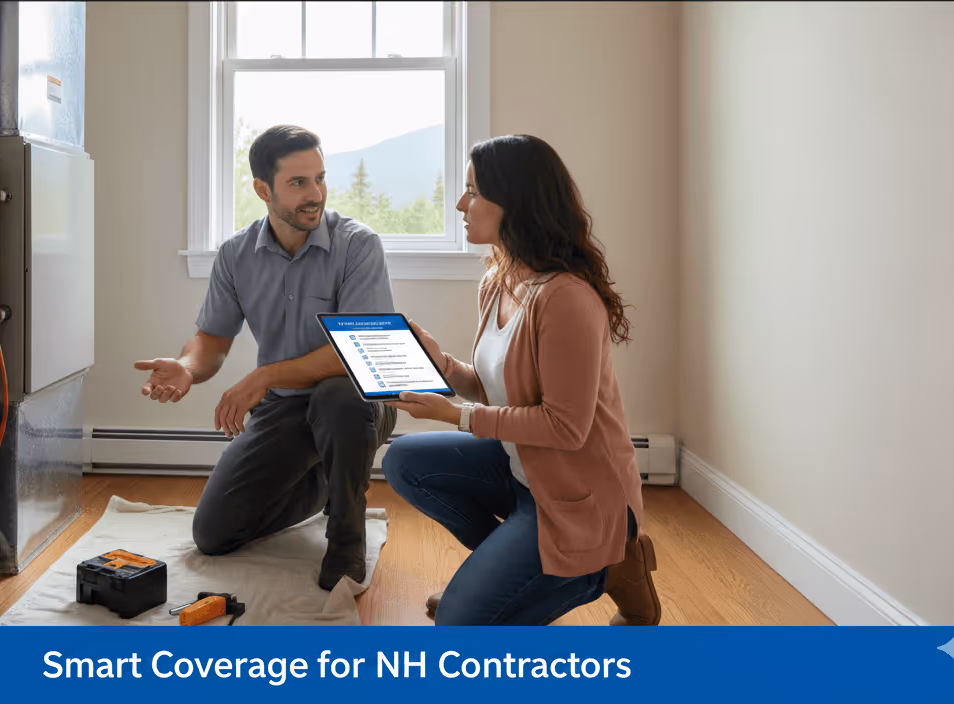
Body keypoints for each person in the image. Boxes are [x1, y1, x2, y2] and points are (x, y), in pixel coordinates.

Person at [381, 134, 660, 626]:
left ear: (515, 202)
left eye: (473, 191)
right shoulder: (500, 278)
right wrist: (443, 367)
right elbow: (498, 390)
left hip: (581, 500)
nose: (462, 204)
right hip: (521, 474)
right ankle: (508, 565)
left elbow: (566, 428)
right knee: (404, 459)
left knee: (458, 628)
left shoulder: (566, 298)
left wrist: (456, 416)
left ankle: (607, 562)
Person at [133, 125, 398, 590]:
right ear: (262, 189)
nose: (314, 193)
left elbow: (361, 351)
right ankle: (324, 482)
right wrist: (188, 368)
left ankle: (346, 537)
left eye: (319, 178)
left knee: (337, 397)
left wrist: (268, 373)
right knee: (213, 534)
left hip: (357, 402)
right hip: (285, 407)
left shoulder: (358, 245)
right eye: (298, 183)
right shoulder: (237, 254)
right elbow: (211, 341)